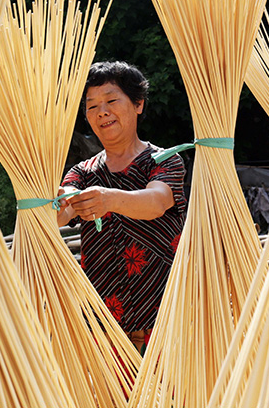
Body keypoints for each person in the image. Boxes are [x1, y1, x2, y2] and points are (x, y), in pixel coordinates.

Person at [57, 61, 187, 353]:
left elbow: (157, 201)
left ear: (138, 104)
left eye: (111, 101)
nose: (101, 111)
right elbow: (64, 211)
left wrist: (109, 199)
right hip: (106, 322)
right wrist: (55, 202)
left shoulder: (164, 160)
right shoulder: (82, 173)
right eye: (92, 106)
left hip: (164, 314)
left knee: (169, 383)